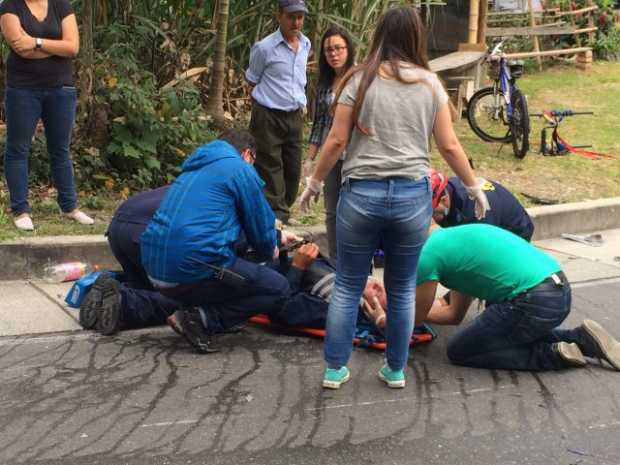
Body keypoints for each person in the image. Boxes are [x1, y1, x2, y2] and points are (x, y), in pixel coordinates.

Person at [299, 6, 489, 389]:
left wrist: (314, 182)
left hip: (361, 194)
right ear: (416, 37)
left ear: (380, 35)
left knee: (348, 284)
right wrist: (473, 188)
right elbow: (450, 145)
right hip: (411, 197)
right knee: (402, 288)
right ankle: (395, 369)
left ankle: (335, 369)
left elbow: (336, 140)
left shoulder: (358, 80)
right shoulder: (430, 84)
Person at [140, 129, 297, 353]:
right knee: (277, 288)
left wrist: (279, 236)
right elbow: (261, 236)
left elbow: (214, 227)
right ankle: (203, 319)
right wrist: (272, 250)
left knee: (233, 264)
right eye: (254, 161)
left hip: (154, 269)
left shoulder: (194, 169)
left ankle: (203, 312)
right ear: (247, 154)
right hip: (192, 268)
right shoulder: (240, 169)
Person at [414, 224, 620, 372]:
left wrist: (395, 314)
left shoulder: (427, 256)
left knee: (460, 350)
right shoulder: (459, 235)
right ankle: (580, 339)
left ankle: (552, 355)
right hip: (559, 291)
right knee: (501, 334)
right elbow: (453, 315)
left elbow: (415, 317)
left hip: (531, 301)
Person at [0, 0, 94, 230]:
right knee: (18, 149)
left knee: (60, 150)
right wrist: (56, 47)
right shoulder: (10, 6)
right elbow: (20, 48)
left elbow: (73, 48)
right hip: (23, 88)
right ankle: (21, 210)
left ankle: (69, 207)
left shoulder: (61, 5)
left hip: (61, 88)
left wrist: (36, 42)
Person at [78, 185, 181, 335]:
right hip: (146, 233)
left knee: (145, 286)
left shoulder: (191, 181)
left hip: (119, 224)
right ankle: (125, 304)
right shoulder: (215, 196)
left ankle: (111, 291)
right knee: (189, 300)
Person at [245, 0, 311, 224]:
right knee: (270, 165)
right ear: (279, 16)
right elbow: (252, 80)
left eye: (300, 17)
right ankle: (277, 215)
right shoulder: (265, 48)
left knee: (292, 166)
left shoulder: (305, 44)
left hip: (294, 115)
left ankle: (284, 206)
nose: (296, 22)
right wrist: (261, 107)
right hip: (268, 114)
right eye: (291, 17)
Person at [302, 26, 355, 258]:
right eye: (328, 50)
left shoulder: (360, 78)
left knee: (356, 212)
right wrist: (310, 158)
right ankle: (335, 261)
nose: (333, 54)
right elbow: (319, 124)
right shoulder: (324, 84)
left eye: (338, 48)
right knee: (332, 212)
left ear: (348, 49)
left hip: (357, 156)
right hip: (331, 157)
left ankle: (360, 262)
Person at [430, 169, 534, 241]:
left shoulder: (476, 211)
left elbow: (482, 251)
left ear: (443, 200)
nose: (428, 220)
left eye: (430, 214)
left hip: (515, 233)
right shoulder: (449, 189)